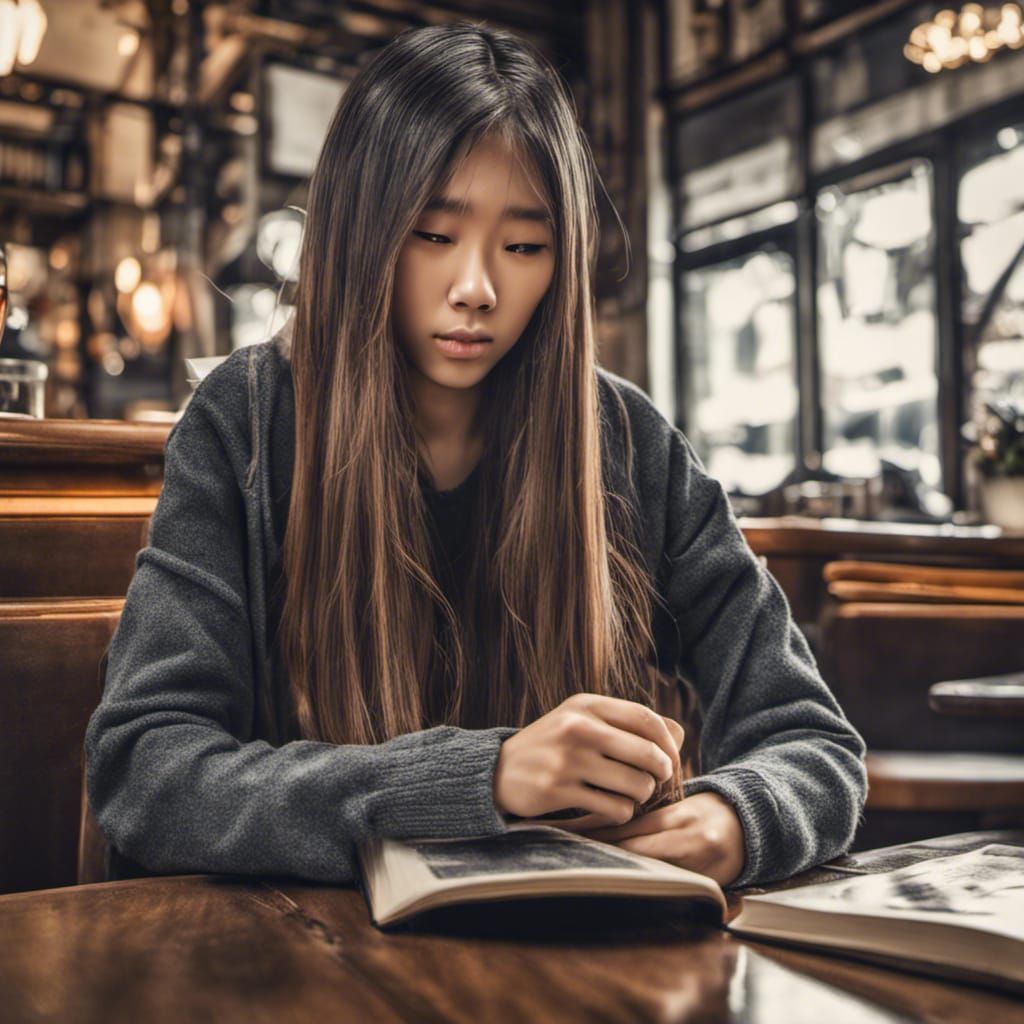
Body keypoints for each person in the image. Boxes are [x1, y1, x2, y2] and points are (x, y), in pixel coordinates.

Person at [84, 22, 866, 892]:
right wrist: (480, 778)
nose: (477, 288)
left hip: (567, 968)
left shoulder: (625, 438)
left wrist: (739, 817)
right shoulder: (250, 422)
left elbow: (815, 741)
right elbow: (147, 771)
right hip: (301, 965)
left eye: (524, 247)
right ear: (360, 230)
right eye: (433, 234)